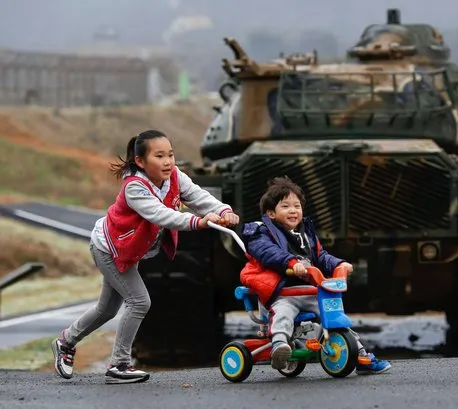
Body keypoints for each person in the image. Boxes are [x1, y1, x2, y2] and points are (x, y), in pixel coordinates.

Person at [51, 129, 240, 385]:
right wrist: (199, 222)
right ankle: (119, 364)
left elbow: (197, 196)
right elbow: (162, 215)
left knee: (106, 309)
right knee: (139, 302)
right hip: (109, 249)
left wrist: (223, 210)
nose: (168, 161)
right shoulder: (134, 188)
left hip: (128, 250)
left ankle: (65, 341)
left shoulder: (174, 176)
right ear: (140, 161)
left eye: (170, 155)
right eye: (159, 156)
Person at [239, 176, 391, 375]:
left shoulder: (306, 234)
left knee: (335, 315)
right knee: (283, 314)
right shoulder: (261, 233)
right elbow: (268, 254)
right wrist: (292, 263)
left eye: (297, 206)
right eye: (285, 206)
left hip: (310, 291)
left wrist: (339, 264)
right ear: (271, 213)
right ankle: (279, 346)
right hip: (282, 293)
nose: (293, 211)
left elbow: (320, 256)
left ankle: (359, 354)